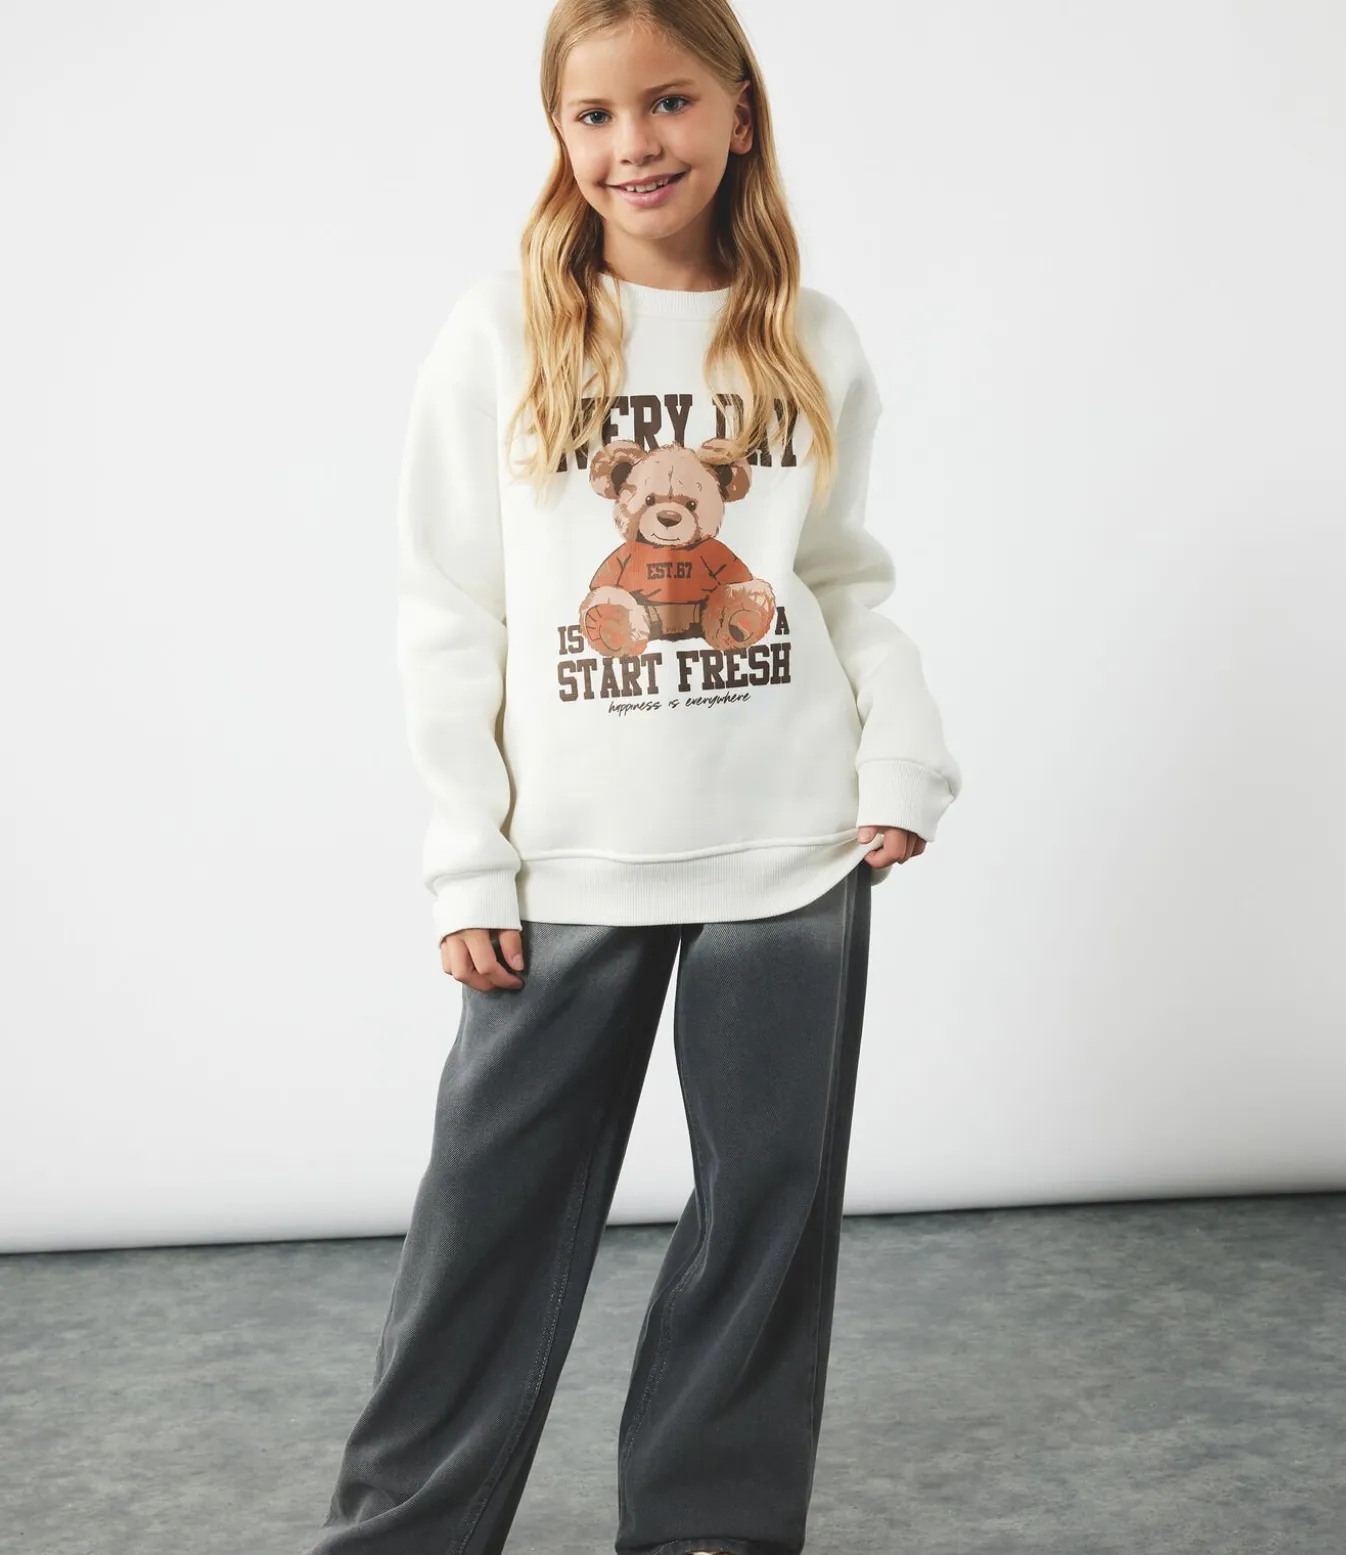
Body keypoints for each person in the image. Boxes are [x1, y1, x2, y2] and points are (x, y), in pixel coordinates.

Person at [308, 2, 962, 1553]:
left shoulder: (809, 339)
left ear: (739, 109)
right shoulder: (504, 334)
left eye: (667, 102)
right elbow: (449, 611)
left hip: (795, 841)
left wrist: (901, 750)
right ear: (559, 135)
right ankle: (404, 1529)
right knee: (492, 1210)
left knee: (765, 1211)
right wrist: (468, 856)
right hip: (567, 858)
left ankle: (710, 1527)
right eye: (592, 116)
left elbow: (843, 579)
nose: (633, 146)